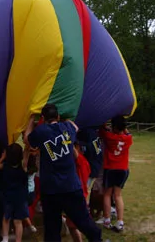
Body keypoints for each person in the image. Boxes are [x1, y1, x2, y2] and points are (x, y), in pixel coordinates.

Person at [25, 103, 102, 242]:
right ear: (58, 116)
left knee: (52, 227)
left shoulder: (41, 131)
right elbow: (76, 127)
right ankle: (96, 238)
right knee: (83, 219)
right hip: (71, 185)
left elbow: (27, 139)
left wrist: (31, 119)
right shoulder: (67, 128)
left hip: (51, 189)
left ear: (43, 117)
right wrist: (66, 118)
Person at [99, 116, 132, 232]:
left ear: (113, 127)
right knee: (118, 195)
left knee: (107, 195)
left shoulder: (108, 136)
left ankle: (107, 219)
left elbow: (102, 127)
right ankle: (120, 221)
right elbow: (127, 133)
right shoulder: (128, 138)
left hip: (110, 169)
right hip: (123, 170)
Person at [0, 143, 30, 242]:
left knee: (6, 217)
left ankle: (5, 239)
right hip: (20, 197)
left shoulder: (5, 166)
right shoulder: (23, 167)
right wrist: (26, 147)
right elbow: (26, 155)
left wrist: (3, 157)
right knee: (18, 221)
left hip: (8, 196)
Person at [77, 127, 103, 204]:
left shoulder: (87, 133)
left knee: (82, 190)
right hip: (96, 165)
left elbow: (86, 149)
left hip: (91, 167)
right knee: (84, 189)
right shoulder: (93, 132)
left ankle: (83, 208)